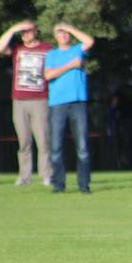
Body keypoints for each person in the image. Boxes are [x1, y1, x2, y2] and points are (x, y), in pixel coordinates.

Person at [0, 20, 53, 186]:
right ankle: (24, 176)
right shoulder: (17, 49)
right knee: (24, 141)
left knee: (43, 140)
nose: (26, 34)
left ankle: (46, 174)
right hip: (19, 100)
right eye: (23, 32)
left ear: (36, 31)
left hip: (40, 99)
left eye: (28, 31)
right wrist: (13, 29)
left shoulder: (47, 49)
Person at [44, 23, 94, 193]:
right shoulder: (52, 54)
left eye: (67, 34)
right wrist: (71, 65)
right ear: (56, 37)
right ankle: (58, 184)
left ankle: (84, 185)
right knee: (56, 146)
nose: (64, 36)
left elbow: (89, 41)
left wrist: (70, 28)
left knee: (83, 146)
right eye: (61, 33)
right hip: (57, 104)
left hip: (78, 102)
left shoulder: (77, 49)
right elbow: (48, 75)